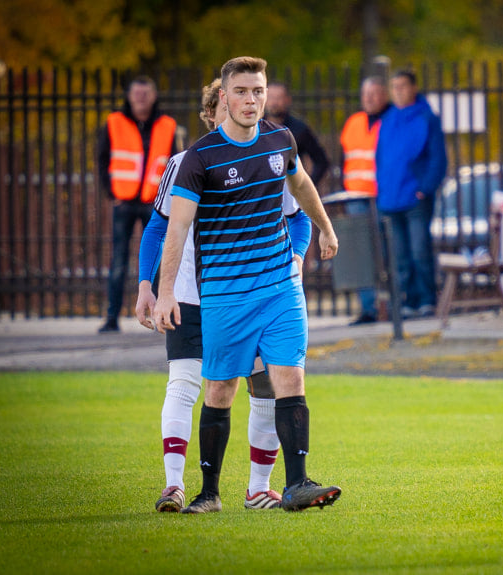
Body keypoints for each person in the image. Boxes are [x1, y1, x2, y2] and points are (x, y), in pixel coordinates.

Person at [153, 56, 341, 514]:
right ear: (224, 97)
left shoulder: (281, 139)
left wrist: (325, 227)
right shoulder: (200, 157)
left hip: (279, 287)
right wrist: (163, 291)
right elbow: (175, 229)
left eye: (258, 91)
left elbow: (301, 186)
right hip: (225, 294)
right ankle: (208, 492)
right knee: (220, 390)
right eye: (241, 91)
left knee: (290, 378)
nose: (251, 100)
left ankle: (296, 483)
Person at [97, 76, 178, 333]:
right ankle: (112, 317)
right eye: (137, 94)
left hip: (154, 202)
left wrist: (167, 199)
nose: (141, 98)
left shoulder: (167, 125)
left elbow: (174, 163)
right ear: (129, 96)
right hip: (124, 200)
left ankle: (157, 315)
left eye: (146, 94)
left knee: (155, 258)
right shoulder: (114, 122)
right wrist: (112, 194)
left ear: (154, 95)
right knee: (118, 260)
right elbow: (101, 160)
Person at [375, 70, 447, 319]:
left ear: (414, 88)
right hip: (390, 199)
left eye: (403, 86)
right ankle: (406, 301)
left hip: (415, 198)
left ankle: (426, 300)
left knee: (419, 252)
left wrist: (424, 189)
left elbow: (438, 159)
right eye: (394, 87)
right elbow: (381, 158)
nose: (398, 91)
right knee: (399, 257)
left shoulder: (427, 118)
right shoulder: (388, 118)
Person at [340, 76, 391, 325]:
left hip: (382, 197)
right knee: (361, 255)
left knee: (387, 253)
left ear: (385, 95)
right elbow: (344, 159)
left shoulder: (391, 121)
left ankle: (391, 306)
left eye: (375, 93)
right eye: (366, 94)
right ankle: (368, 308)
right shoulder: (354, 122)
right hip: (356, 198)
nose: (369, 98)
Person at [265, 82, 330, 188]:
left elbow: (321, 161)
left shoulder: (299, 129)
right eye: (271, 97)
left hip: (291, 191)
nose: (274, 103)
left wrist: (308, 187)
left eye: (279, 98)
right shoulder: (255, 128)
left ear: (287, 100)